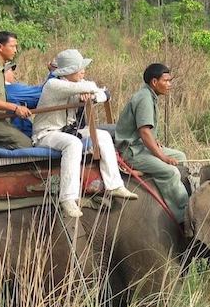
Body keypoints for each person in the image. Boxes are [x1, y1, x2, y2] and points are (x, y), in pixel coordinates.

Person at [33, 49, 138, 218]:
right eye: (79, 67)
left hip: (69, 131)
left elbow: (105, 94)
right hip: (47, 134)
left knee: (102, 135)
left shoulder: (75, 86)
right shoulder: (54, 85)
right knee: (73, 145)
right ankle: (68, 198)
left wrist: (95, 96)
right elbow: (91, 87)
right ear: (68, 71)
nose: (83, 71)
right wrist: (93, 91)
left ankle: (114, 185)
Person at [114, 63, 188, 223]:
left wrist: (155, 142)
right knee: (171, 172)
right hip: (132, 152)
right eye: (166, 81)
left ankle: (174, 194)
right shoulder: (144, 99)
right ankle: (182, 215)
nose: (170, 85)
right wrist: (163, 158)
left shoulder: (149, 96)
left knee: (180, 156)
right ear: (154, 82)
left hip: (140, 146)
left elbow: (144, 132)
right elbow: (144, 132)